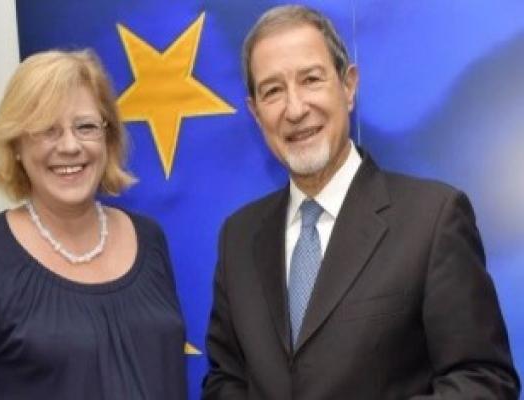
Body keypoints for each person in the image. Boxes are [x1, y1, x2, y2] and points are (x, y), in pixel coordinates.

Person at [202, 5, 520, 399]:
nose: (295, 108)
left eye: (311, 79)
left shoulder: (433, 219)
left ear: (348, 86)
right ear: (255, 112)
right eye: (273, 91)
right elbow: (226, 379)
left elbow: (483, 381)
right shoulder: (238, 237)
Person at [0, 49, 187, 399]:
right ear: (16, 145)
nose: (70, 146)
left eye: (85, 127)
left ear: (108, 137)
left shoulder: (149, 238)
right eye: (47, 130)